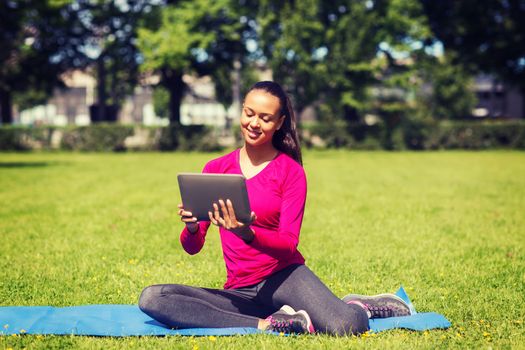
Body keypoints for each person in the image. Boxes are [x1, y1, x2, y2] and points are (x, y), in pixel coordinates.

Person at [138, 81, 412, 335]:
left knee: (345, 325)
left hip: (283, 277)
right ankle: (269, 324)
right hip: (240, 290)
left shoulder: (290, 173)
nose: (253, 123)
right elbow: (192, 247)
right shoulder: (216, 169)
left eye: (265, 118)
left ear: (280, 122)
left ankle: (358, 306)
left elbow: (289, 244)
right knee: (154, 298)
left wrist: (248, 234)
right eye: (249, 113)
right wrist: (191, 227)